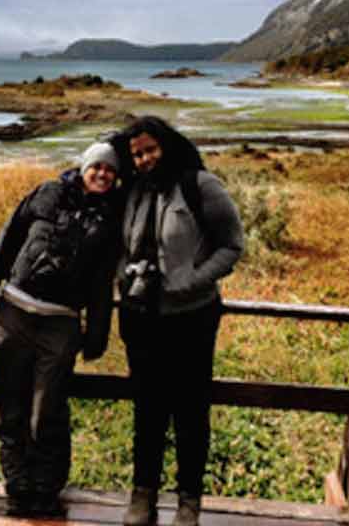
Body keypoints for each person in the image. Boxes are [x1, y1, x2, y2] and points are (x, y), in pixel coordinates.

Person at [0, 143, 123, 518]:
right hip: (14, 312)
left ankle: (46, 488)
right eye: (98, 167)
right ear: (85, 166)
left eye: (110, 170)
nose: (103, 174)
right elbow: (10, 236)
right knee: (9, 405)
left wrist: (97, 335)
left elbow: (103, 283)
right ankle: (17, 485)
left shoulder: (110, 221)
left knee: (48, 410)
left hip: (61, 323)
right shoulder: (48, 192)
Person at [110, 116, 244, 526]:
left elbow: (232, 245)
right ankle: (143, 494)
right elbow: (117, 242)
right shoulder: (131, 190)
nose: (145, 159)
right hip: (141, 317)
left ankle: (189, 501)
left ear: (166, 146)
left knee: (189, 411)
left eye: (150, 150)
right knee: (146, 409)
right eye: (137, 154)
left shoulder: (199, 185)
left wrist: (191, 280)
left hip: (192, 318)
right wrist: (123, 275)